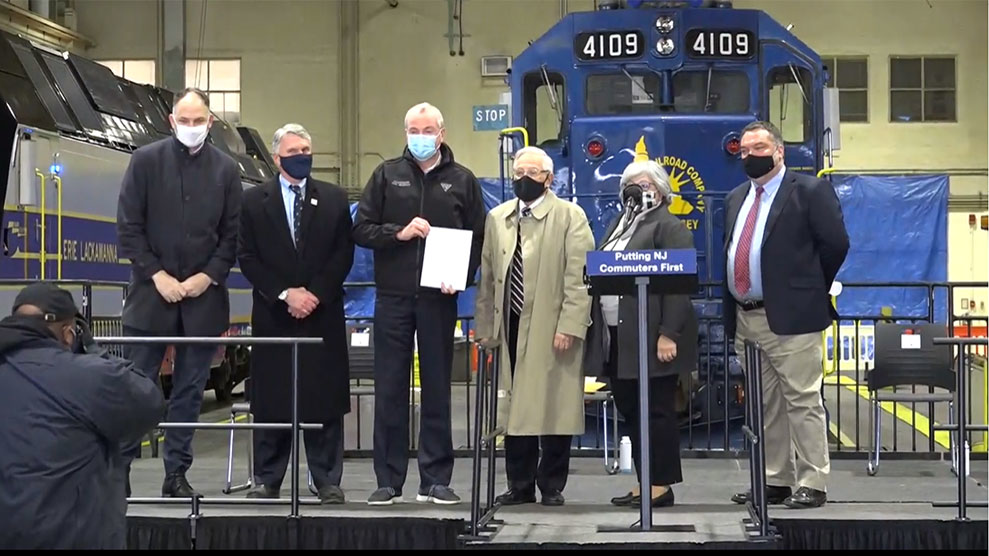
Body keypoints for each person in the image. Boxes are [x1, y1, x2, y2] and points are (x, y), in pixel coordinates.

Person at [354, 102, 486, 506]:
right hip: (392, 298)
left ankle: (436, 478)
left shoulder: (462, 180)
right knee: (390, 387)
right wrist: (399, 232)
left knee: (437, 387)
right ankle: (388, 479)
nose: (421, 136)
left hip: (438, 300)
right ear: (405, 131)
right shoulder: (386, 175)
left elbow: (477, 238)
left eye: (428, 129)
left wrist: (460, 280)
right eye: (414, 129)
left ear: (442, 133)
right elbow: (361, 228)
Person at [117, 87, 242, 497]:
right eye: (184, 121)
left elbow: (231, 236)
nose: (191, 128)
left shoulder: (226, 170)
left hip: (203, 301)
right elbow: (129, 228)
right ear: (172, 122)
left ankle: (176, 475)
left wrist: (207, 277)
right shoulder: (144, 161)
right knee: (137, 387)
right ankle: (119, 474)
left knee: (189, 390)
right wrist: (158, 276)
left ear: (211, 122)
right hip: (151, 298)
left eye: (198, 121)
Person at [725, 121, 849, 509]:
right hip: (747, 317)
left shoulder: (810, 191)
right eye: (743, 150)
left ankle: (813, 481)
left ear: (779, 151)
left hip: (793, 317)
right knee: (765, 406)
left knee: (803, 400)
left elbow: (836, 245)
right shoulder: (735, 198)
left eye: (758, 147)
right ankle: (775, 480)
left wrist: (808, 287)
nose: (750, 155)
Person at [238, 123, 354, 503]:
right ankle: (267, 479)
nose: (302, 156)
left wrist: (315, 294)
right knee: (273, 398)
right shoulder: (254, 201)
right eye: (294, 151)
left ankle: (327, 480)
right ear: (276, 157)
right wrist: (286, 294)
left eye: (306, 149)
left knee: (323, 396)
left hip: (322, 314)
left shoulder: (335, 200)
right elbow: (248, 258)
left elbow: (343, 255)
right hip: (275, 314)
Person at [0, 283, 164, 548]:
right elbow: (149, 401)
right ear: (68, 334)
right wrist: (93, 349)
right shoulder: (87, 375)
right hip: (73, 537)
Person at [475, 146, 594, 507]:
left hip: (552, 324)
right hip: (509, 324)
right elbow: (489, 277)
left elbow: (580, 278)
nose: (523, 179)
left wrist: (571, 325)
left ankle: (552, 485)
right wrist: (484, 328)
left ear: (548, 178)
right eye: (518, 172)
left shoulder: (570, 217)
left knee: (554, 405)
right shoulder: (497, 217)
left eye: (532, 172)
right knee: (515, 409)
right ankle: (520, 484)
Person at [583, 160, 698, 508]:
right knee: (632, 409)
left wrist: (669, 334)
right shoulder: (619, 224)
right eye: (632, 184)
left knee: (657, 411)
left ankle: (661, 485)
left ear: (662, 191)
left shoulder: (669, 226)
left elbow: (678, 286)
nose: (638, 189)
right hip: (618, 337)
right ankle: (645, 480)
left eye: (646, 183)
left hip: (652, 338)